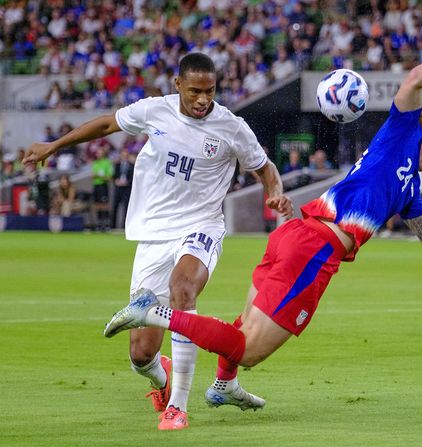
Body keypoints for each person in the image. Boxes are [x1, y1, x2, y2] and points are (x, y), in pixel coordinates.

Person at [103, 35, 422, 416]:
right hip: (316, 251)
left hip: (295, 234)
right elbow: (417, 75)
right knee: (249, 349)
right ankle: (154, 312)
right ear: (418, 130)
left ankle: (224, 385)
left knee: (245, 325)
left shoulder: (407, 188)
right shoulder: (399, 133)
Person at [24, 53, 292, 430]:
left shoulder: (231, 126)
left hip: (201, 227)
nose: (203, 100)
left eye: (210, 91)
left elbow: (265, 168)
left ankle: (178, 407)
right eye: (195, 91)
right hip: (154, 234)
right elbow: (105, 124)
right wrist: (53, 146)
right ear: (177, 86)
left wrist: (274, 194)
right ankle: (162, 378)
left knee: (183, 289)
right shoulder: (154, 111)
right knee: (140, 355)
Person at [91, 146, 113, 231]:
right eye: (97, 153)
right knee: (97, 205)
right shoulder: (95, 163)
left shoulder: (107, 163)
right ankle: (99, 224)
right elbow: (93, 175)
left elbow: (110, 177)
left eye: (99, 152)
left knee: (104, 205)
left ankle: (106, 224)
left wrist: (100, 176)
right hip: (96, 185)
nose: (98, 154)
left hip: (103, 185)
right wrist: (95, 176)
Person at [112, 148, 135, 228]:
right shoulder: (117, 165)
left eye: (126, 154)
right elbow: (113, 176)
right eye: (123, 154)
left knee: (126, 208)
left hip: (127, 189)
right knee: (115, 206)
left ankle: (125, 226)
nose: (124, 156)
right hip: (118, 188)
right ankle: (113, 225)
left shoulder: (132, 165)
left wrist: (127, 182)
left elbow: (133, 177)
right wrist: (116, 181)